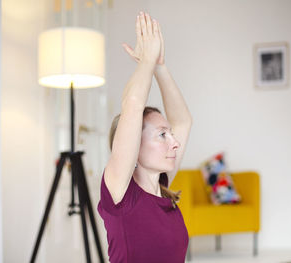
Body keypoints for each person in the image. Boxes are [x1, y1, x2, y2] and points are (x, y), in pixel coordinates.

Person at [97, 11, 192, 263]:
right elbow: (133, 103)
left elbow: (182, 121)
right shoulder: (120, 195)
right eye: (162, 135)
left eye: (169, 134)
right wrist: (145, 62)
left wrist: (160, 66)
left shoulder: (162, 188)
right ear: (134, 146)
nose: (175, 142)